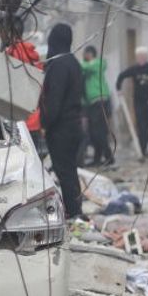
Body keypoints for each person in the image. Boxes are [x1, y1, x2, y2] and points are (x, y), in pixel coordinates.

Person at [40, 23, 86, 218]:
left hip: (61, 128)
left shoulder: (58, 65)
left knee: (65, 172)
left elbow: (54, 100)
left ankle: (74, 213)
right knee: (69, 170)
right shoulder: (73, 62)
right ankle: (75, 211)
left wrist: (45, 124)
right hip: (73, 124)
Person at [116, 47, 148, 158]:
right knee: (141, 126)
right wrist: (118, 89)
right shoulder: (134, 69)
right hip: (138, 102)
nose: (140, 59)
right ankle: (142, 150)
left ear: (146, 57)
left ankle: (144, 147)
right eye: (138, 57)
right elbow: (122, 76)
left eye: (142, 57)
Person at [80, 45, 113, 167]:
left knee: (98, 132)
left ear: (90, 54)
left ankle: (109, 157)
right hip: (93, 103)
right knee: (95, 132)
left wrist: (81, 61)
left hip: (100, 101)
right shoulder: (87, 68)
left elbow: (82, 66)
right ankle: (98, 158)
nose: (84, 57)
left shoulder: (97, 63)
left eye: (85, 54)